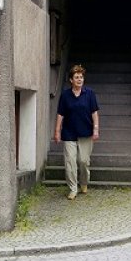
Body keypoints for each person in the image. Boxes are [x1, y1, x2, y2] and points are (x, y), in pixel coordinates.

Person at [53, 64, 100, 200]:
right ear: (71, 80)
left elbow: (94, 112)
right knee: (70, 162)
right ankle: (73, 188)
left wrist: (96, 129)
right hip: (69, 133)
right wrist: (57, 131)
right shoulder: (65, 95)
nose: (79, 79)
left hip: (86, 132)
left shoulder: (89, 93)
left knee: (84, 161)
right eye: (76, 77)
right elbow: (60, 114)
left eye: (81, 77)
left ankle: (84, 183)